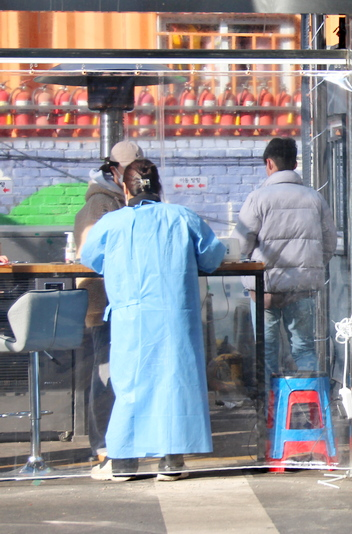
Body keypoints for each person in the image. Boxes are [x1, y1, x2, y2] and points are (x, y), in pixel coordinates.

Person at [81, 158, 226, 481]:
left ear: (124, 187)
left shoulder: (112, 223)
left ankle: (123, 462)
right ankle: (171, 461)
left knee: (130, 384)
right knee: (173, 383)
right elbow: (213, 256)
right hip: (175, 316)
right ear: (159, 187)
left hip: (131, 318)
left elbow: (91, 258)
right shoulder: (182, 217)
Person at [234, 138, 337, 378]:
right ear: (294, 163)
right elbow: (329, 242)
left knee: (267, 351)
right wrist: (311, 266)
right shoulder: (314, 199)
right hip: (303, 288)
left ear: (269, 163)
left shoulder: (257, 198)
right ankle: (312, 406)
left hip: (266, 289)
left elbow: (240, 243)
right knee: (304, 349)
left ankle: (272, 409)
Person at [73, 140, 142, 462]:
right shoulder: (102, 205)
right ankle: (103, 443)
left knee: (111, 371)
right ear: (115, 172)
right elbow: (92, 255)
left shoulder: (114, 202)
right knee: (106, 373)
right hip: (103, 303)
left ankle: (111, 441)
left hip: (114, 302)